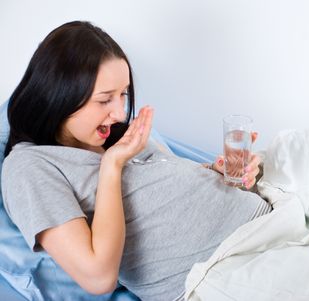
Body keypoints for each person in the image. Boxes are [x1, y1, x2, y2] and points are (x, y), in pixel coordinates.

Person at [1, 21, 271, 301]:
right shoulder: (28, 167)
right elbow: (98, 277)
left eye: (123, 95)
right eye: (105, 99)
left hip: (267, 222)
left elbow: (164, 193)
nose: (119, 113)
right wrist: (112, 166)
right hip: (226, 272)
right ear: (59, 95)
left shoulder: (111, 136)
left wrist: (217, 172)